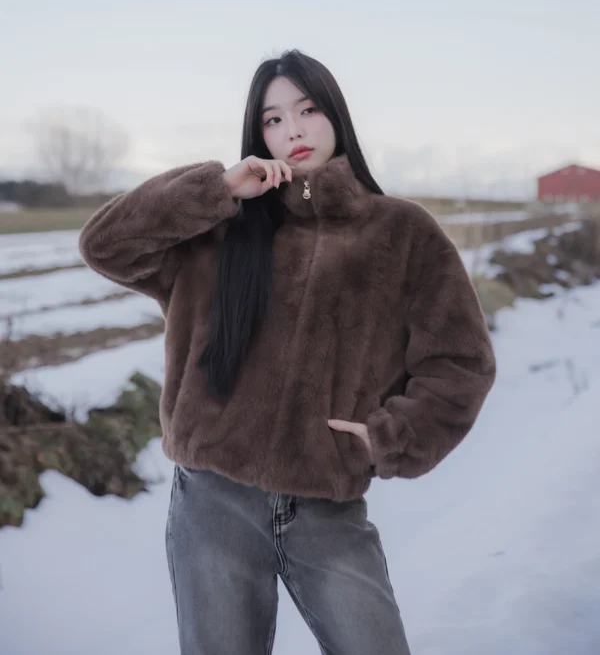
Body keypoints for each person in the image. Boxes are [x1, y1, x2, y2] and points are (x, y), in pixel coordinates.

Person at [79, 49, 496, 655]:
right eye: (273, 119)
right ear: (259, 135)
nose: (293, 130)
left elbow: (460, 361)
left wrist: (392, 436)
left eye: (307, 110)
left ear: (336, 115)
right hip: (213, 503)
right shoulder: (219, 229)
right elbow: (104, 245)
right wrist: (218, 188)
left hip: (327, 507)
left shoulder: (403, 233)